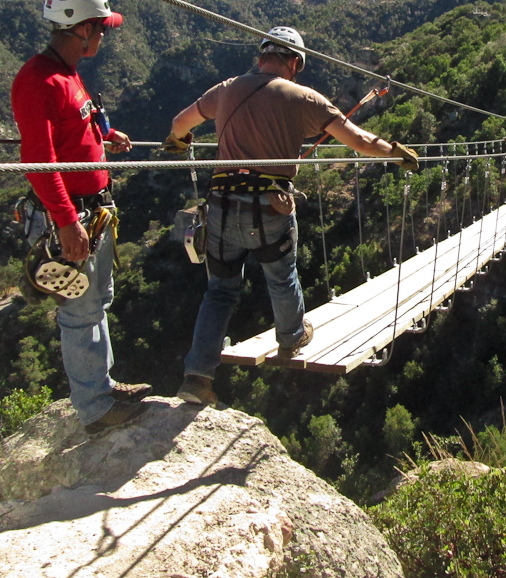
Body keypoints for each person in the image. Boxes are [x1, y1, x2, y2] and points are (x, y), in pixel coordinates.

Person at [165, 26, 419, 406]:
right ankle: (292, 337)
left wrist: (177, 141)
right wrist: (396, 152)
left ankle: (197, 377)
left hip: (221, 204)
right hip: (270, 206)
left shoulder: (225, 89)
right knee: (281, 277)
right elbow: (359, 141)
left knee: (219, 292)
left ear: (261, 56)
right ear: (295, 63)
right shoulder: (306, 98)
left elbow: (181, 123)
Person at [11, 0, 151, 435]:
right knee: (80, 310)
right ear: (82, 28)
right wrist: (67, 222)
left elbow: (75, 125)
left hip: (93, 210)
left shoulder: (67, 73)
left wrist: (105, 135)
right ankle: (94, 407)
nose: (105, 36)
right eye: (101, 28)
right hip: (72, 214)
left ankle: (104, 386)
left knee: (98, 300)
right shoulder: (37, 81)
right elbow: (38, 162)